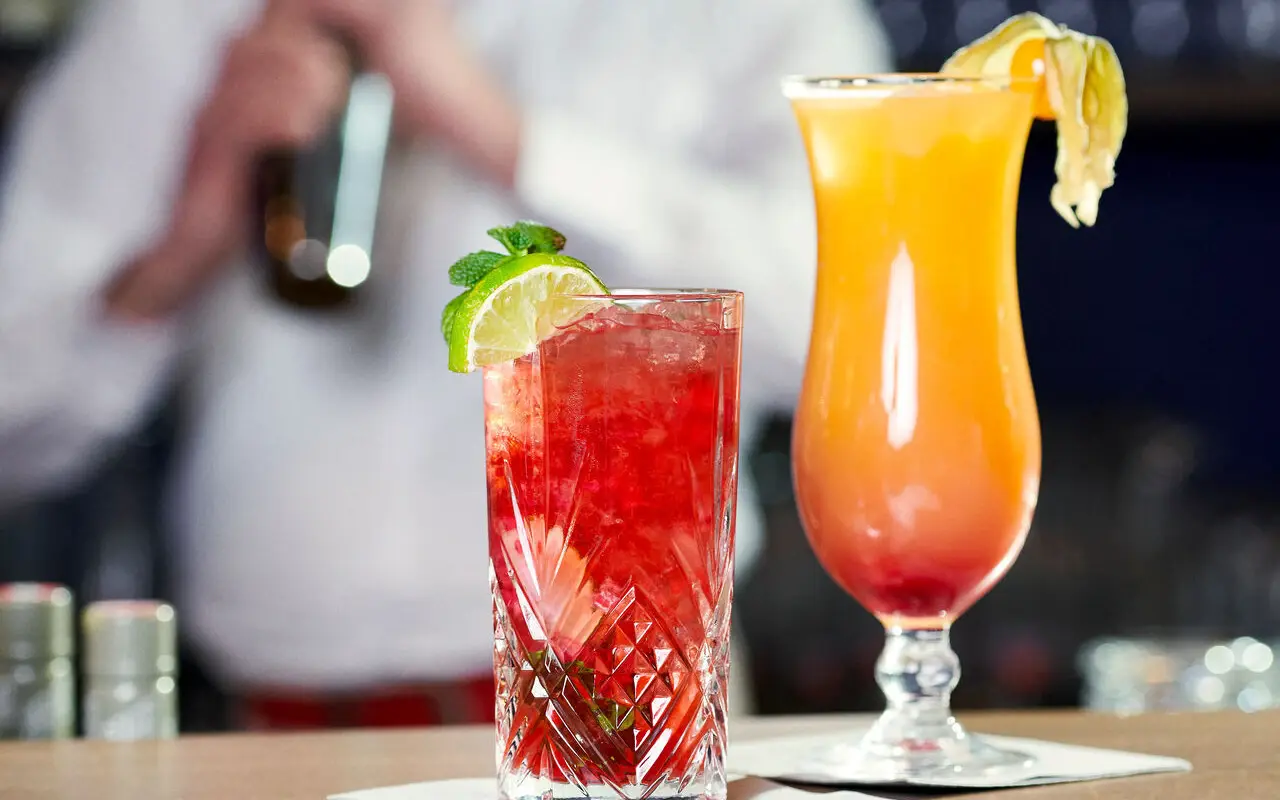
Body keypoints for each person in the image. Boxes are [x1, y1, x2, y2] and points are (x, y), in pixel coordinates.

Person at [0, 0, 889, 728]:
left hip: (635, 712)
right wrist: (181, 248)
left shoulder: (745, 16)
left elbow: (853, 335)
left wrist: (503, 132)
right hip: (257, 728)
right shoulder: (172, 24)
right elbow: (15, 424)